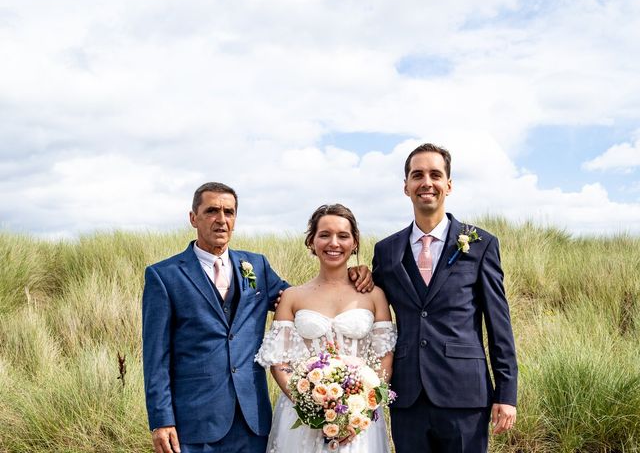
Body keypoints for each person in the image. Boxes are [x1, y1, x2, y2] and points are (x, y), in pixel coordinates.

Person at [142, 183, 373, 453]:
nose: (221, 219)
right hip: (194, 422)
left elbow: (304, 301)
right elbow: (156, 356)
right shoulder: (164, 276)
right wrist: (161, 420)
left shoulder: (255, 266)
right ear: (193, 218)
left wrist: (352, 276)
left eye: (229, 212)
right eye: (211, 211)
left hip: (253, 421)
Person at [372, 144, 517, 452]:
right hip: (408, 396)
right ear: (406, 186)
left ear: (448, 185)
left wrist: (506, 394)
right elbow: (371, 304)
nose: (427, 182)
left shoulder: (481, 244)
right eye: (417, 175)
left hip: (465, 395)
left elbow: (499, 324)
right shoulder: (386, 251)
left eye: (435, 175)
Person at [255, 204, 397, 453]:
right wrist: (312, 407)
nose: (334, 243)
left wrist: (360, 411)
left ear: (355, 243)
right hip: (302, 418)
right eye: (324, 235)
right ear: (311, 242)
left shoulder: (374, 295)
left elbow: (384, 361)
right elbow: (279, 362)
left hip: (359, 420)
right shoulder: (291, 296)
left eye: (343, 236)